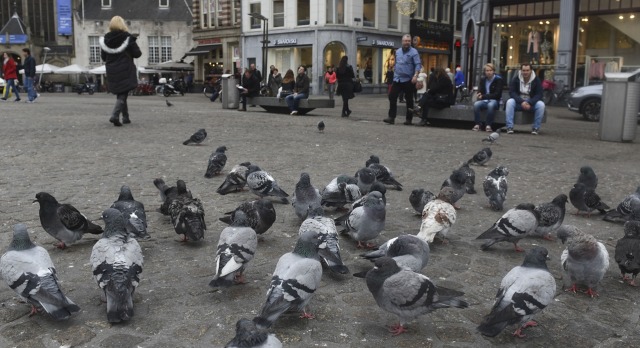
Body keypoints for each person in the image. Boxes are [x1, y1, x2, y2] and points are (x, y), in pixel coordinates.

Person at [99, 16, 141, 126]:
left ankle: (126, 117)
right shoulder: (127, 38)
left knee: (122, 92)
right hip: (125, 68)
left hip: (112, 70)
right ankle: (115, 115)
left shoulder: (105, 40)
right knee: (123, 92)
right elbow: (137, 54)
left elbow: (103, 57)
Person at [384, 34, 421, 125]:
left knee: (409, 100)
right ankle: (391, 117)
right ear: (402, 41)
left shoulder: (414, 52)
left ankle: (409, 119)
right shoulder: (398, 51)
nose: (407, 43)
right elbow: (397, 63)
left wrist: (415, 76)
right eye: (405, 41)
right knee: (392, 96)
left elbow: (418, 65)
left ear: (410, 42)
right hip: (397, 79)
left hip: (409, 79)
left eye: (408, 41)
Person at [505, 63, 545, 135]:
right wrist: (521, 102)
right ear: (521, 70)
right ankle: (509, 127)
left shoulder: (536, 80)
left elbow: (539, 94)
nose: (525, 72)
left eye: (527, 70)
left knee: (541, 105)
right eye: (523, 70)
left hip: (531, 104)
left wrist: (530, 102)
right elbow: (512, 92)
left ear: (531, 70)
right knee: (510, 102)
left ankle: (536, 128)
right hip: (519, 103)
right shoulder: (516, 79)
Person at [472, 63, 504, 132]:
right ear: (485, 72)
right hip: (484, 100)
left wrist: (483, 96)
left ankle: (488, 125)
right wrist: (479, 93)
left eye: (490, 70)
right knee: (476, 104)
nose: (489, 72)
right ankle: (478, 124)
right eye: (487, 71)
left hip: (495, 100)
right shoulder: (483, 79)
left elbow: (497, 94)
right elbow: (480, 90)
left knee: (490, 105)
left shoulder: (498, 80)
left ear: (493, 71)